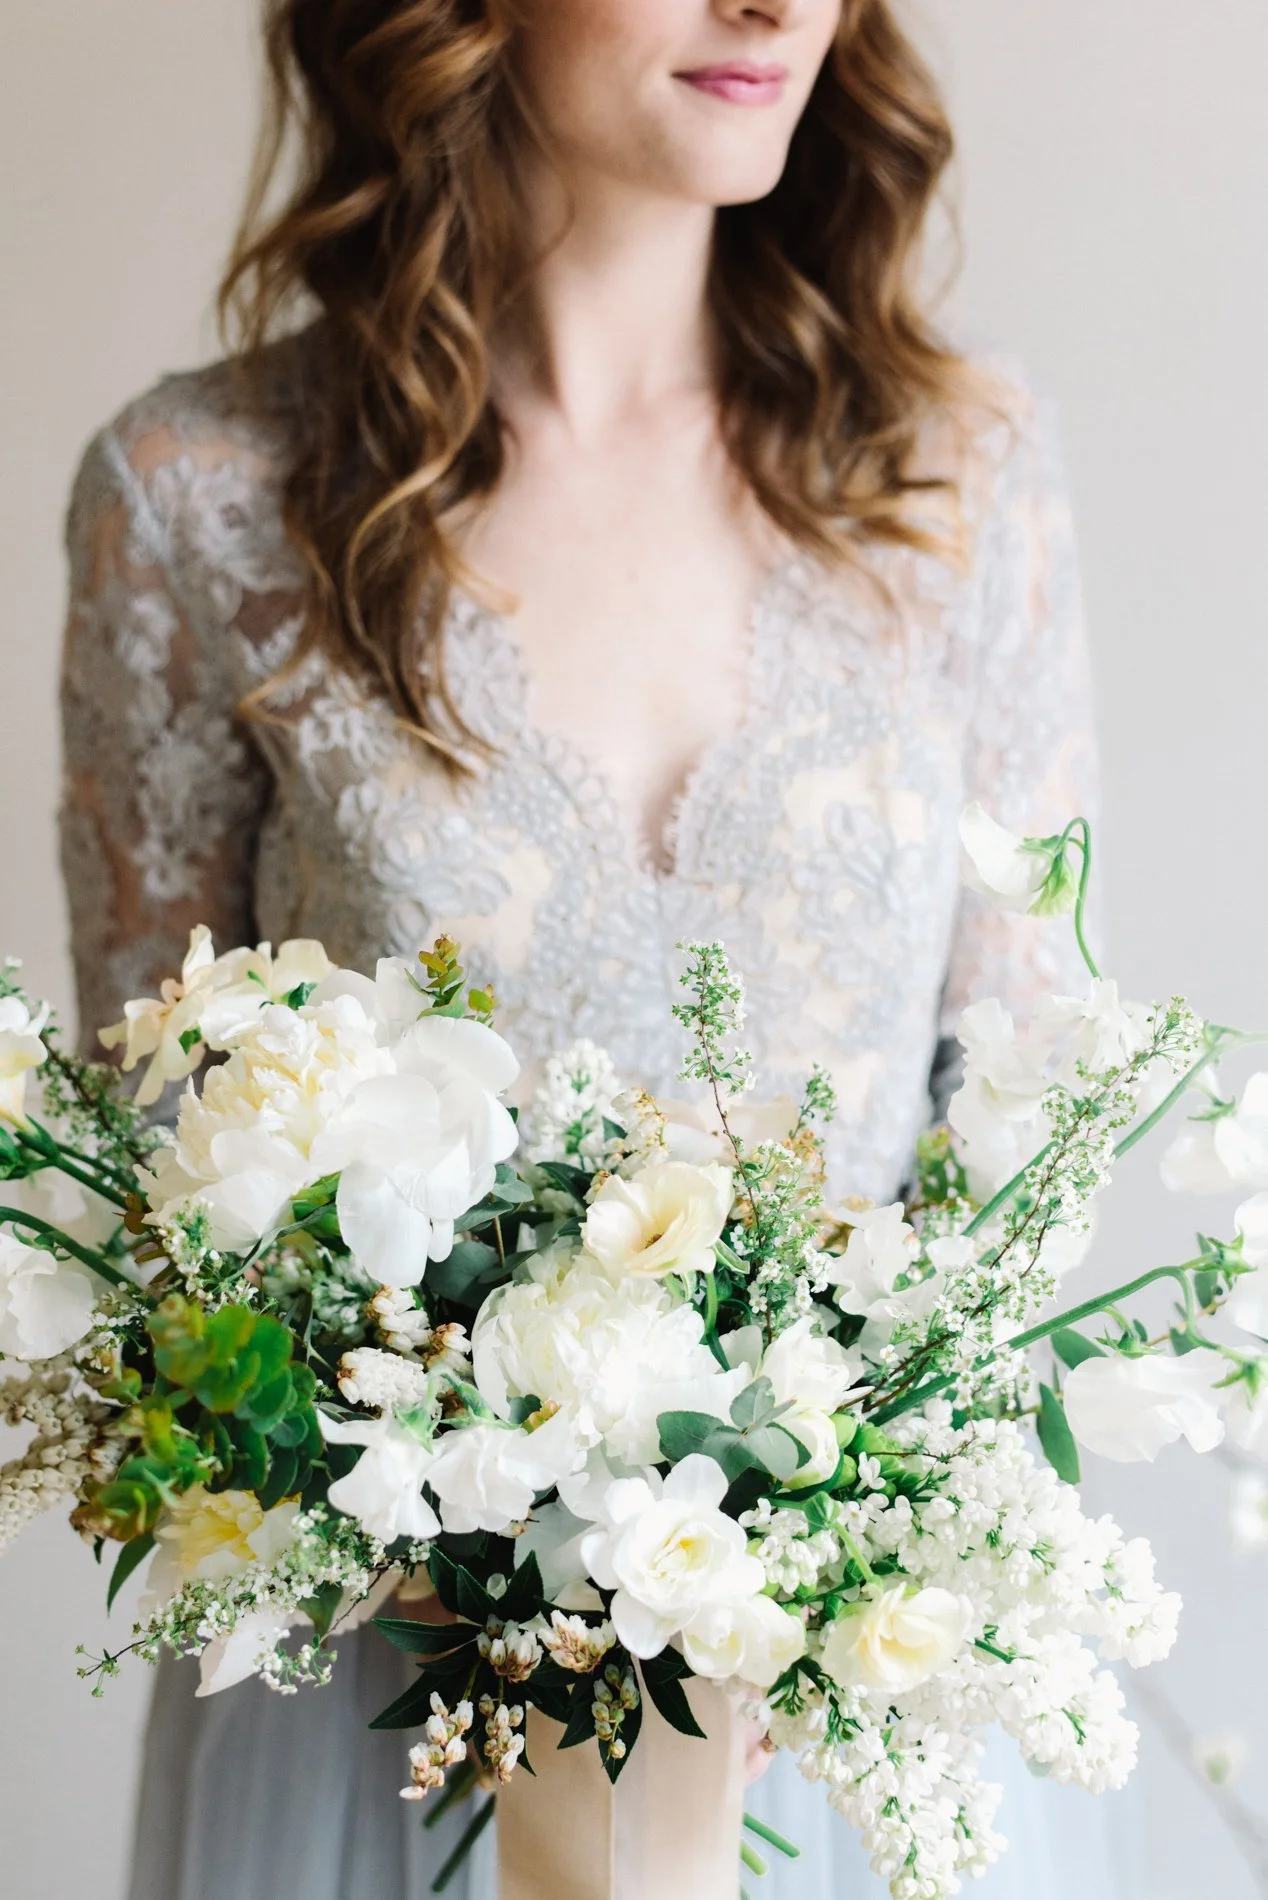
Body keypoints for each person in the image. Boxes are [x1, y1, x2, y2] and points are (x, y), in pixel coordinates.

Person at [57, 1, 1137, 1896]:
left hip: (853, 1713)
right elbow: (159, 1187)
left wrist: (824, 1556)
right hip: (396, 1729)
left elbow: (1029, 1123)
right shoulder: (200, 500)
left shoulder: (959, 478)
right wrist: (473, 1566)